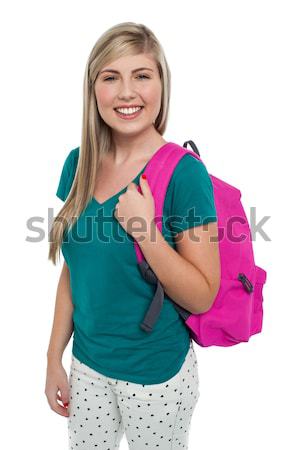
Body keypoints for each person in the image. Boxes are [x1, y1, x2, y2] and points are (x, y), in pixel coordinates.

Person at [45, 21, 220, 450]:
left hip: (155, 375)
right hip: (87, 367)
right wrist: (54, 358)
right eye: (111, 77)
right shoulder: (78, 163)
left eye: (141, 75)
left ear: (161, 84)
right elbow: (76, 270)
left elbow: (202, 296)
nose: (127, 92)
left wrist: (145, 229)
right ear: (93, 89)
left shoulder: (184, 174)